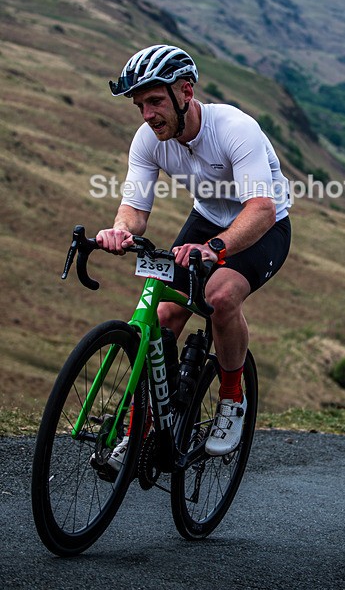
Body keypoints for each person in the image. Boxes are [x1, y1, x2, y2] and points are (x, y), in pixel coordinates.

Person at [97, 43, 291, 464]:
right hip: (207, 218)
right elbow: (134, 209)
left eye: (154, 101)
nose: (147, 115)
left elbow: (261, 208)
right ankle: (142, 426)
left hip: (262, 223)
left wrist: (214, 249)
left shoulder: (236, 129)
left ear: (186, 92)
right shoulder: (149, 140)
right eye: (140, 105)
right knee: (164, 313)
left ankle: (231, 398)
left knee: (220, 296)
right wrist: (118, 232)